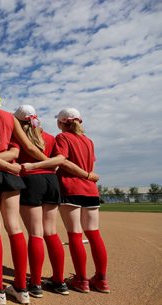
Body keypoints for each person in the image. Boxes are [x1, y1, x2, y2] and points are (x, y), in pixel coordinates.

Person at [0, 86, 50, 305]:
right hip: (11, 174)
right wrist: (46, 163)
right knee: (15, 228)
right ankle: (21, 288)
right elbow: (24, 149)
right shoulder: (9, 118)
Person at [13, 105, 69, 297]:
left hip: (31, 180)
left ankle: (35, 283)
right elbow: (58, 161)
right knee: (51, 232)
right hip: (51, 182)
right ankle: (60, 281)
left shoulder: (19, 137)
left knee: (36, 234)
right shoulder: (51, 138)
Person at [53, 108, 109, 294]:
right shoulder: (89, 141)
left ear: (61, 123)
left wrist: (84, 174)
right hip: (91, 190)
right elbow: (90, 161)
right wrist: (87, 174)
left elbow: (63, 162)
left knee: (75, 234)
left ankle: (81, 280)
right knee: (94, 234)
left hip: (71, 188)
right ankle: (101, 280)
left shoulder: (62, 138)